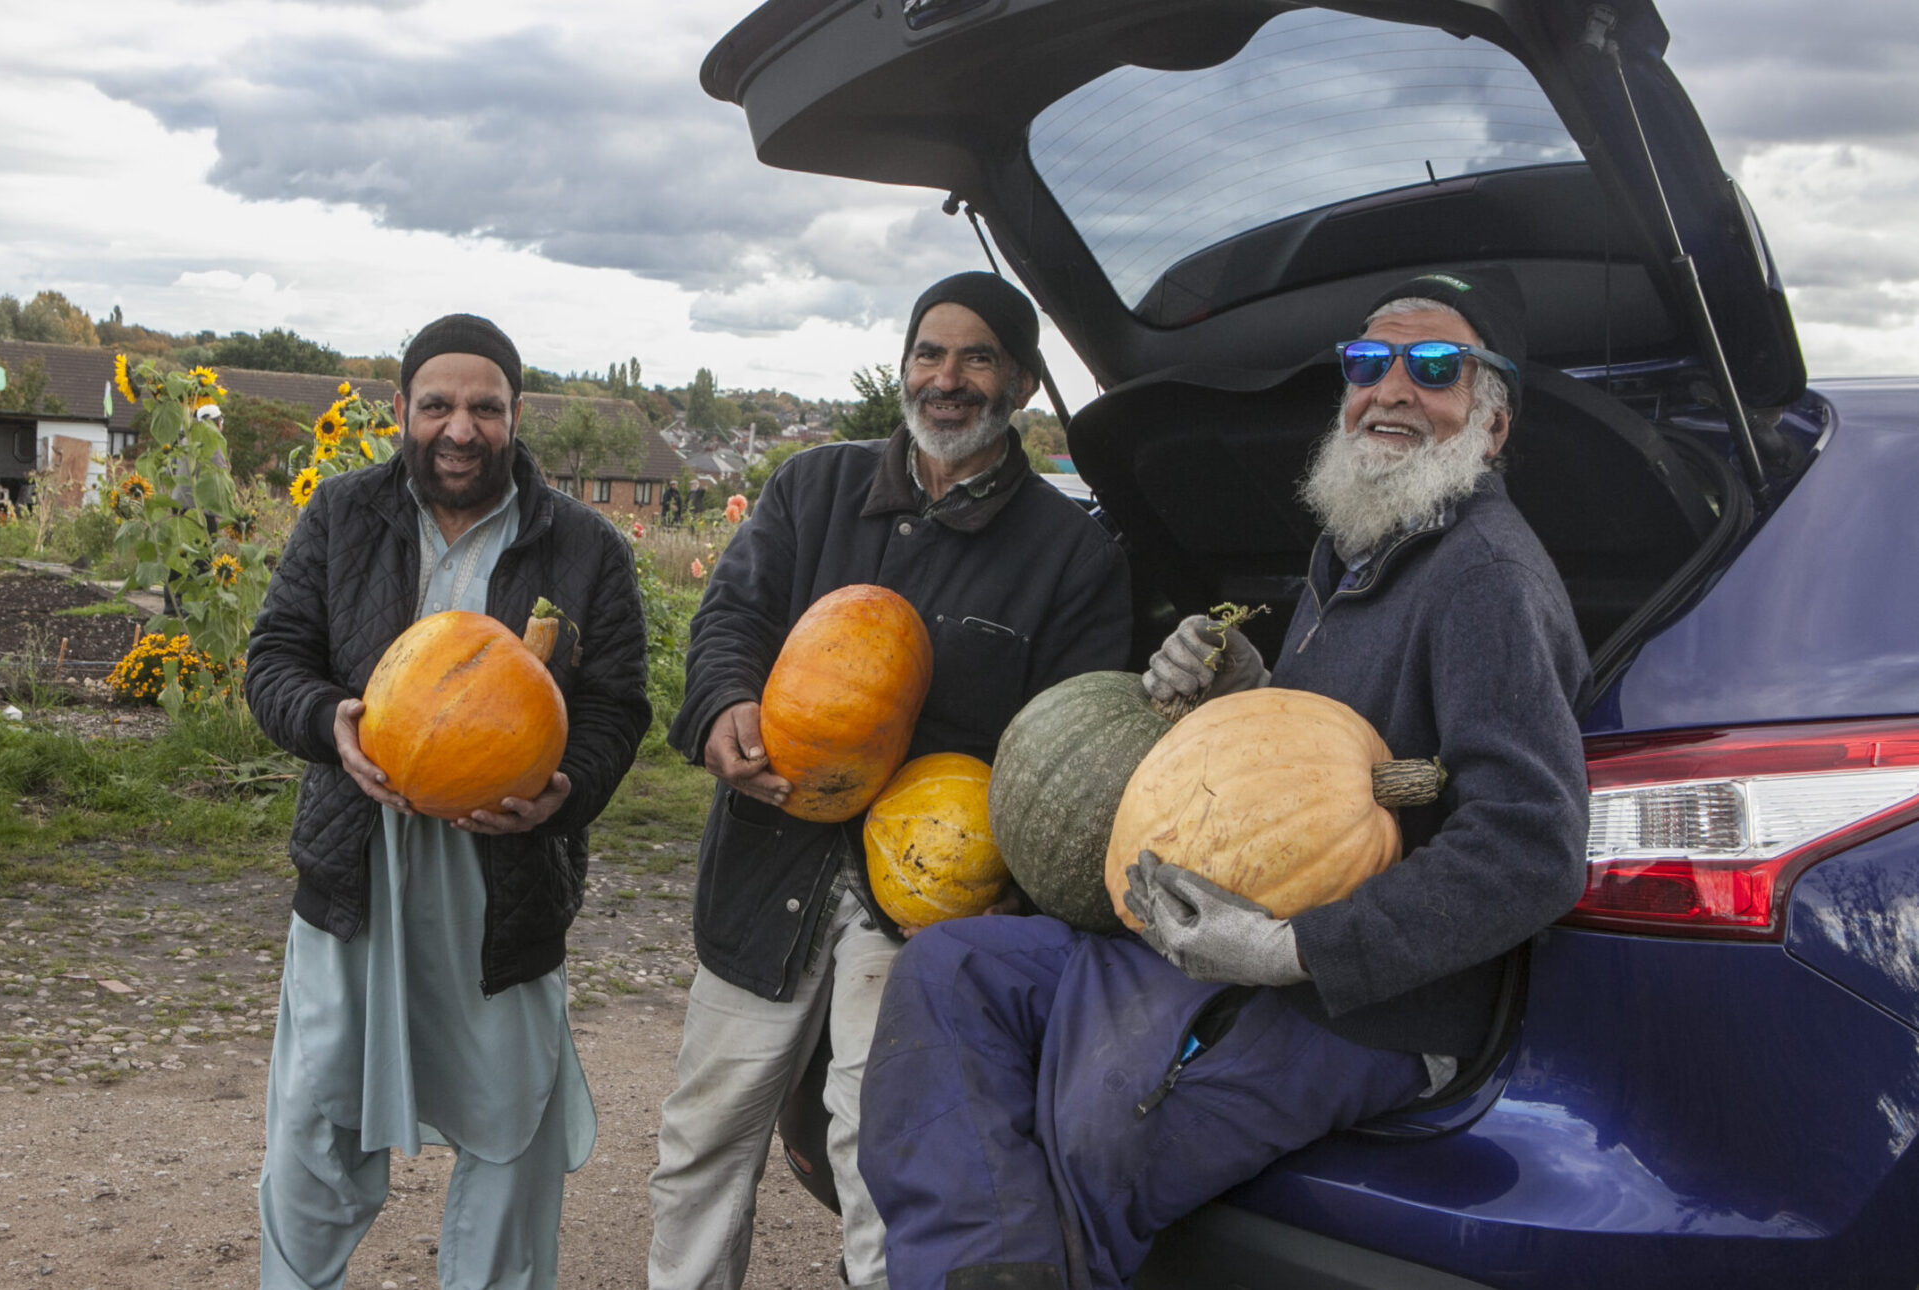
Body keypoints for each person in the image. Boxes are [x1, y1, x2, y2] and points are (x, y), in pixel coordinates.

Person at [857, 269, 1592, 1290]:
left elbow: (1531, 844)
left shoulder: (1482, 577)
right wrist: (1236, 692)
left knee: (1097, 1127)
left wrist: (1296, 948)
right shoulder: (1359, 548)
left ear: (1492, 419)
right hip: (1225, 935)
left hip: (1359, 1009)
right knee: (950, 975)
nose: (1390, 390)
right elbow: (1301, 762)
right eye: (1367, 363)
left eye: (1433, 368)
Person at [649, 272, 1133, 1290]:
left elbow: (1077, 746)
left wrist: (1022, 879)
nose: (946, 378)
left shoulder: (1069, 555)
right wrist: (722, 706)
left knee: (884, 1162)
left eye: (975, 357)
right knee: (702, 1140)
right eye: (928, 352)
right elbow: (730, 619)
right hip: (770, 861)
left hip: (924, 908)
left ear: (1023, 384)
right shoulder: (811, 490)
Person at [243, 313, 651, 1290]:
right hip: (359, 868)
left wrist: (562, 794)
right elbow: (273, 662)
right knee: (315, 1120)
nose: (459, 428)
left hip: (504, 882)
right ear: (402, 412)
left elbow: (613, 710)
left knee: (511, 1127)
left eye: (484, 407)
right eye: (437, 405)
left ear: (515, 416)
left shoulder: (585, 548)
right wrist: (329, 721)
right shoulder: (342, 516)